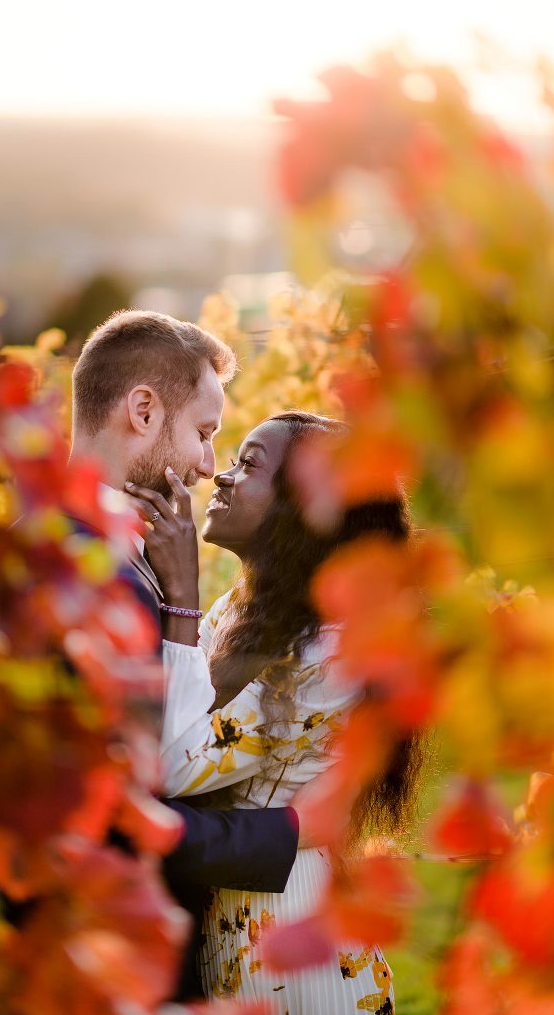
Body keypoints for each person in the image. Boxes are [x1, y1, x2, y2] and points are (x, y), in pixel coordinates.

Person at [125, 411, 421, 1013]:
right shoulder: (242, 612)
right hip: (240, 913)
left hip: (294, 930)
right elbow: (176, 720)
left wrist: (181, 599)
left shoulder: (329, 649)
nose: (224, 478)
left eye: (249, 464)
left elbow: (177, 769)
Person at [68, 311, 301, 1000]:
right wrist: (285, 835)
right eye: (204, 433)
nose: (208, 464)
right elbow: (105, 807)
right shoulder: (79, 576)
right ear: (143, 410)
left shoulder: (114, 556)